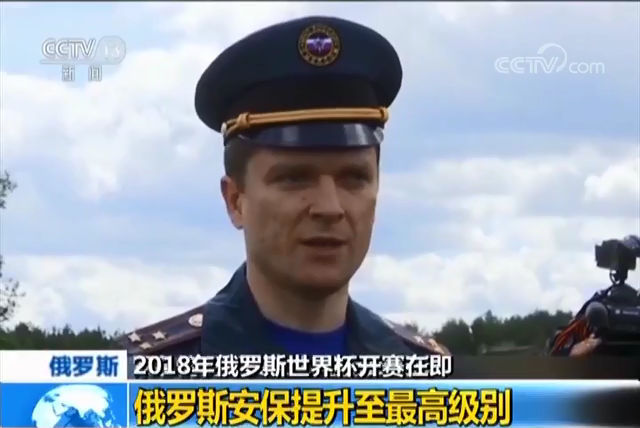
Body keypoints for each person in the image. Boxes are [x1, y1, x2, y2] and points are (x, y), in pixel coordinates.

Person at [116, 16, 448, 357]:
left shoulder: (425, 372)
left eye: (354, 178)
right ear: (235, 201)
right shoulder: (145, 376)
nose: (329, 208)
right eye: (295, 178)